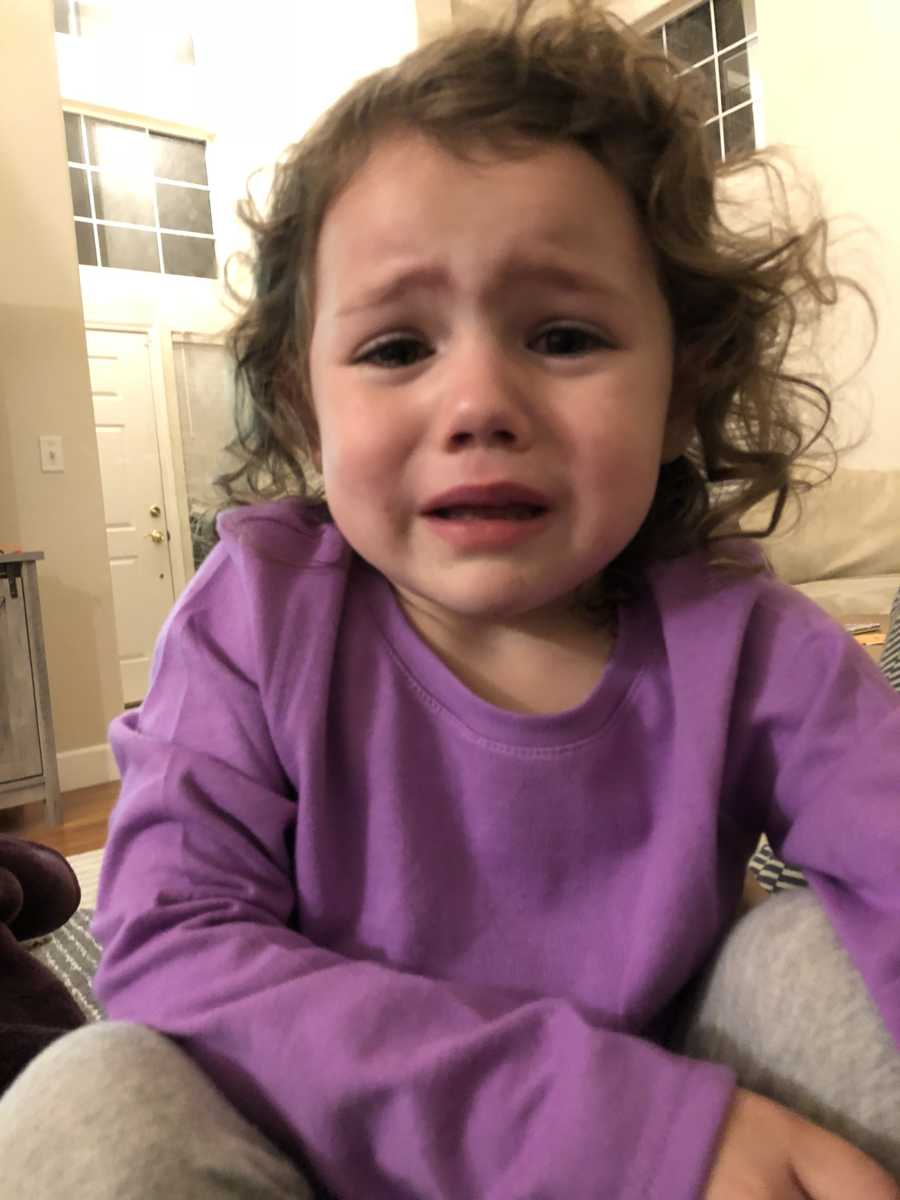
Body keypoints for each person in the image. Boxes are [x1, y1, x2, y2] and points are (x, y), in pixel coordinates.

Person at [2, 2, 899, 1197]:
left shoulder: (745, 642)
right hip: (325, 1152)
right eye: (395, 350)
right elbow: (172, 950)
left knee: (807, 957)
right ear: (305, 405)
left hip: (681, 1157)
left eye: (565, 334)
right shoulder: (257, 623)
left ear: (686, 387)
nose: (479, 399)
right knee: (80, 1097)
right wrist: (615, 1121)